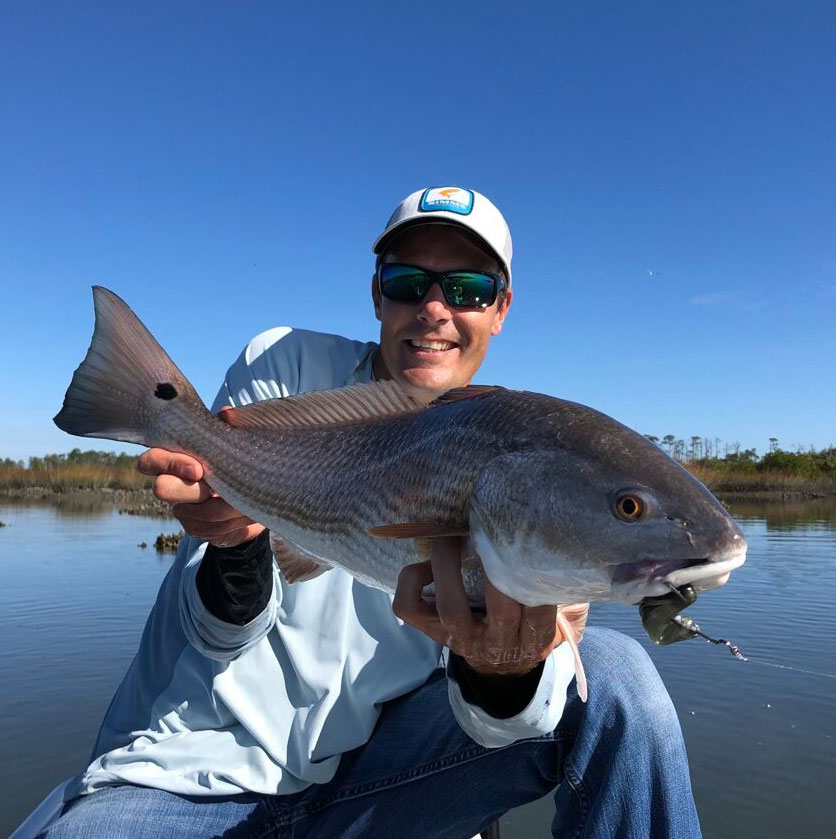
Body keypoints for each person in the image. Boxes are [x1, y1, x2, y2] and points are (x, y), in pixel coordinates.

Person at [19, 187, 702, 839]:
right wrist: (237, 543)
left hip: (382, 793)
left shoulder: (531, 468)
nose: (435, 308)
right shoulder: (289, 365)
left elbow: (498, 728)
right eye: (409, 282)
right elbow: (219, 633)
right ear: (377, 292)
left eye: (467, 289)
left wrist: (505, 671)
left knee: (620, 680)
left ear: (501, 308)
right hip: (189, 776)